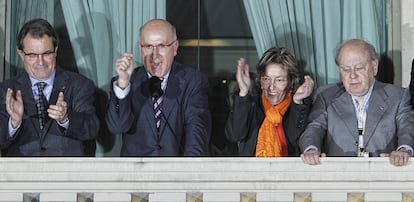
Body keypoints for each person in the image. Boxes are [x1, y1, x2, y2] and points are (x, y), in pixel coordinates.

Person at [299, 39, 414, 166]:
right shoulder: (326, 96)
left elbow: (407, 128)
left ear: (374, 67)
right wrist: (311, 149)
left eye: (359, 68)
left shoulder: (397, 96)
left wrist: (404, 150)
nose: (352, 75)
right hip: (339, 176)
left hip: (383, 175)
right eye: (346, 69)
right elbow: (314, 127)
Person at [105, 19, 211, 156]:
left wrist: (188, 173)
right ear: (140, 48)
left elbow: (197, 133)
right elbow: (117, 126)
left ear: (175, 47)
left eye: (161, 46)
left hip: (176, 172)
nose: (154, 55)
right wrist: (124, 84)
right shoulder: (126, 81)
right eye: (148, 46)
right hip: (135, 173)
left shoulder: (193, 81)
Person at [0, 18, 99, 156]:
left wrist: (66, 119)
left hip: (67, 173)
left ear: (56, 51)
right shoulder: (6, 90)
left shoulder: (79, 85)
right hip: (21, 174)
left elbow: (91, 128)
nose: (40, 62)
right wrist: (13, 123)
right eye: (33, 55)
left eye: (46, 53)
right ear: (21, 54)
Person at [225, 47, 314, 157]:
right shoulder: (250, 105)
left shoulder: (299, 107)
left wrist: (297, 102)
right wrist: (243, 93)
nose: (271, 87)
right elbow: (235, 135)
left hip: (289, 172)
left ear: (291, 82)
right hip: (252, 172)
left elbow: (296, 140)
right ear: (260, 80)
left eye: (279, 80)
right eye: (266, 79)